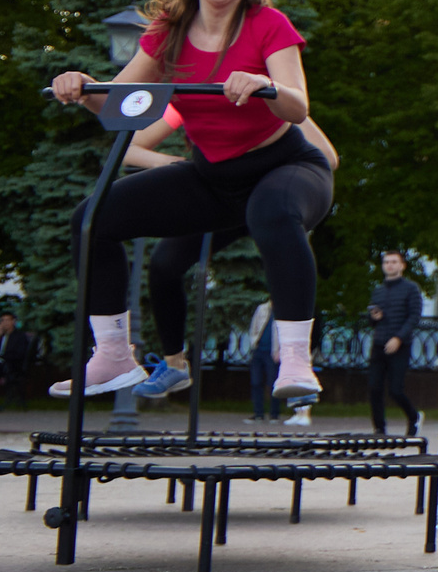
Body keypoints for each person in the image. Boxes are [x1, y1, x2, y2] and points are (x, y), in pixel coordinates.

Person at [48, 0, 330, 405]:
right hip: (213, 178)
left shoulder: (268, 25)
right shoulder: (169, 31)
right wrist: (82, 87)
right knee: (92, 219)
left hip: (286, 167)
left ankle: (295, 360)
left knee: (272, 211)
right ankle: (113, 355)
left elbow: (298, 106)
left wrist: (265, 85)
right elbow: (118, 107)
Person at [121, 105, 343, 423]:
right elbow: (130, 148)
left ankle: (297, 363)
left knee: (282, 240)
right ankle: (174, 364)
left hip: (272, 196)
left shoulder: (269, 100)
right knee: (164, 263)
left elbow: (327, 157)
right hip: (224, 199)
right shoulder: (191, 99)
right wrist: (170, 164)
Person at [366, 251, 425, 437]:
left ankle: (414, 416)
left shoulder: (411, 289)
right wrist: (374, 317)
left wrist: (398, 338)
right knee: (374, 387)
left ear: (402, 266)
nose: (389, 265)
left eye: (393, 262)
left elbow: (414, 317)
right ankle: (379, 429)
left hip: (400, 345)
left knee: (395, 390)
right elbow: (371, 319)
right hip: (379, 343)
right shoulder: (378, 290)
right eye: (386, 262)